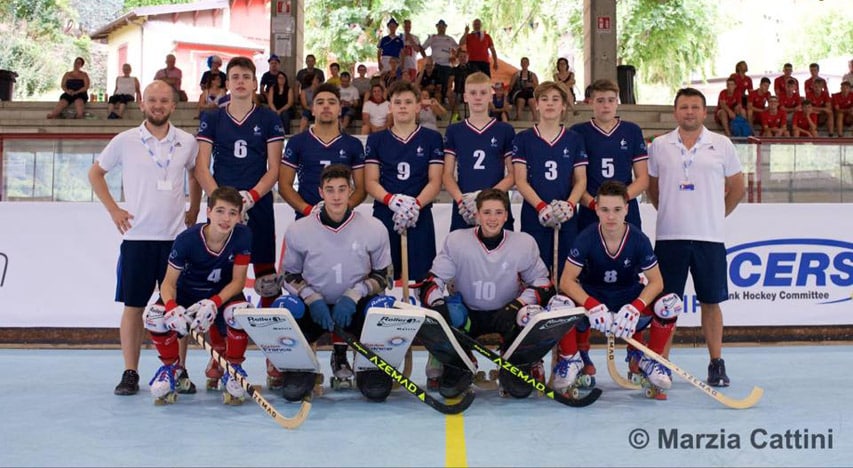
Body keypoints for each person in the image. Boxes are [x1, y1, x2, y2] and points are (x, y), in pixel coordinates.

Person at [88, 80, 201, 396]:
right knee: (134, 306)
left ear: (173, 105)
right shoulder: (125, 140)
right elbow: (95, 174)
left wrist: (193, 207)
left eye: (164, 100)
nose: (158, 105)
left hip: (176, 239)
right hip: (137, 238)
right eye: (152, 99)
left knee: (175, 308)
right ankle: (130, 372)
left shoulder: (187, 142)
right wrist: (114, 210)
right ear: (141, 103)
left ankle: (179, 370)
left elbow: (196, 173)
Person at [195, 56, 285, 387]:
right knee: (221, 281)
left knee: (266, 282)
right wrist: (224, 205)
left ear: (254, 82)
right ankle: (220, 355)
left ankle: (275, 357)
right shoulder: (212, 118)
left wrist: (250, 198)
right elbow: (202, 167)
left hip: (258, 207)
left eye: (247, 77)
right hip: (222, 211)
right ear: (227, 82)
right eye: (235, 77)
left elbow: (274, 168)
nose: (241, 82)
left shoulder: (269, 118)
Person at [647, 87, 745, 387]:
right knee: (665, 305)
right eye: (684, 107)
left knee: (711, 302)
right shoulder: (660, 145)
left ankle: (716, 363)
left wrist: (716, 215)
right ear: (676, 112)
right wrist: (669, 211)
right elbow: (652, 188)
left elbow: (737, 187)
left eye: (695, 107)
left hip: (709, 238)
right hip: (670, 237)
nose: (689, 112)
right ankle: (661, 364)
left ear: (705, 112)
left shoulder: (722, 144)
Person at [417, 188, 555, 397]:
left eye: (499, 212)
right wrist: (438, 305)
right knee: (445, 314)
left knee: (531, 316)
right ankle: (458, 362)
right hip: (469, 315)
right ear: (477, 214)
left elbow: (543, 284)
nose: (493, 218)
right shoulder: (457, 241)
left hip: (506, 315)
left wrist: (516, 305)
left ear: (507, 215)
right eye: (487, 212)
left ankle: (518, 361)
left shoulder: (524, 243)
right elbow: (431, 282)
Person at [280, 164, 393, 402]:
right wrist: (310, 297)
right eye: (330, 190)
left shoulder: (373, 228)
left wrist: (356, 293)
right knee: (287, 307)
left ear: (351, 191)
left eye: (342, 189)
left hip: (353, 307)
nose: (336, 196)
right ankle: (300, 368)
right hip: (316, 308)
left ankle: (370, 366)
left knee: (383, 306)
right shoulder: (299, 230)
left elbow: (385, 275)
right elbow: (288, 275)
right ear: (321, 192)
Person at [554, 180, 671, 396]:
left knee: (669, 304)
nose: (611, 216)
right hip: (594, 299)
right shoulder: (586, 237)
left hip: (627, 298)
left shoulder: (638, 239)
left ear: (627, 209)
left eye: (617, 210)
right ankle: (570, 360)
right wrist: (592, 305)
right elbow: (566, 281)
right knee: (558, 303)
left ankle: (651, 360)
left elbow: (657, 282)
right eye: (605, 210)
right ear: (596, 209)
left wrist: (636, 307)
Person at [567, 78, 647, 377]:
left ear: (618, 102)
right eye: (599, 100)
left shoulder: (631, 131)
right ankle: (583, 355)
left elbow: (642, 178)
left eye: (610, 100)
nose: (605, 105)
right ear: (590, 102)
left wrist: (618, 206)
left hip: (625, 214)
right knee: (586, 280)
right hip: (590, 214)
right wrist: (596, 207)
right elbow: (579, 179)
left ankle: (635, 354)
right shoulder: (579, 133)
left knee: (632, 280)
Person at [144, 187, 253, 404]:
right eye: (220, 211)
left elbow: (238, 281)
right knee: (154, 317)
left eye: (233, 213)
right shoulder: (187, 239)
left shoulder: (242, 236)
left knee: (241, 313)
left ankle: (233, 370)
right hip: (187, 295)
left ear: (239, 216)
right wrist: (173, 307)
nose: (226, 218)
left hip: (222, 295)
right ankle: (172, 369)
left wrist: (215, 303)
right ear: (209, 212)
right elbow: (167, 283)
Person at [365, 81, 444, 283]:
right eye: (397, 102)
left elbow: (435, 181)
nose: (402, 106)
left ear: (418, 106)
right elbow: (371, 181)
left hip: (420, 212)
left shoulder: (431, 138)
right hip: (385, 212)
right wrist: (391, 200)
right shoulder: (376, 140)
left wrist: (414, 206)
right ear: (389, 106)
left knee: (421, 278)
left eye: (408, 102)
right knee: (382, 277)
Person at [512, 81, 588, 281]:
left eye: (556, 99)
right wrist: (541, 206)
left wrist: (570, 205)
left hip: (566, 215)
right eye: (544, 99)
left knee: (566, 274)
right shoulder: (524, 139)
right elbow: (520, 180)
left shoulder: (574, 139)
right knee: (534, 273)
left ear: (563, 105)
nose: (550, 104)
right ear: (536, 104)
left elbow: (581, 180)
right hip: (534, 214)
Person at [280, 82, 366, 220]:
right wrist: (308, 210)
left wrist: (341, 209)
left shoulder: (353, 144)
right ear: (313, 109)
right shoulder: (297, 142)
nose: (326, 106)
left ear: (339, 109)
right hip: (306, 219)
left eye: (332, 102)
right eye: (320, 103)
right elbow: (284, 185)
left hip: (342, 220)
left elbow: (361, 189)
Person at [443, 72, 515, 232]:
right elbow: (447, 174)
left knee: (501, 255)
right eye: (473, 93)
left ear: (491, 96)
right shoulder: (454, 130)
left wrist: (486, 198)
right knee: (462, 255)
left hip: (497, 206)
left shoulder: (505, 130)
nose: (478, 97)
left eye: (483, 93)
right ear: (465, 97)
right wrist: (461, 200)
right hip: (465, 207)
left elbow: (512, 174)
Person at [422, 19, 458, 100]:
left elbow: (458, 48)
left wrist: (455, 57)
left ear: (445, 27)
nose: (441, 28)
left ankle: (445, 100)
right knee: (436, 84)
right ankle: (437, 100)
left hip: (447, 65)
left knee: (446, 83)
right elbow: (422, 48)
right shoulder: (432, 37)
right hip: (435, 64)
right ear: (437, 27)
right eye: (439, 26)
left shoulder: (450, 38)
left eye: (443, 27)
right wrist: (426, 58)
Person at [508, 57, 539, 121]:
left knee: (530, 95)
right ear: (521, 64)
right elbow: (511, 86)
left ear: (528, 64)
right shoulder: (516, 74)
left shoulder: (532, 75)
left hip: (530, 95)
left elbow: (537, 87)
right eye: (523, 62)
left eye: (526, 62)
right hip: (518, 94)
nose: (524, 64)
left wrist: (531, 84)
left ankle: (535, 116)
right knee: (522, 95)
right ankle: (519, 115)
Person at [447, 50, 474, 121]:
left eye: (464, 56)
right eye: (461, 56)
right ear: (458, 58)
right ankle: (456, 114)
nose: (462, 58)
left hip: (470, 93)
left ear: (467, 58)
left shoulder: (473, 69)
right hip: (458, 92)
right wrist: (449, 89)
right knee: (449, 94)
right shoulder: (455, 69)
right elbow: (450, 81)